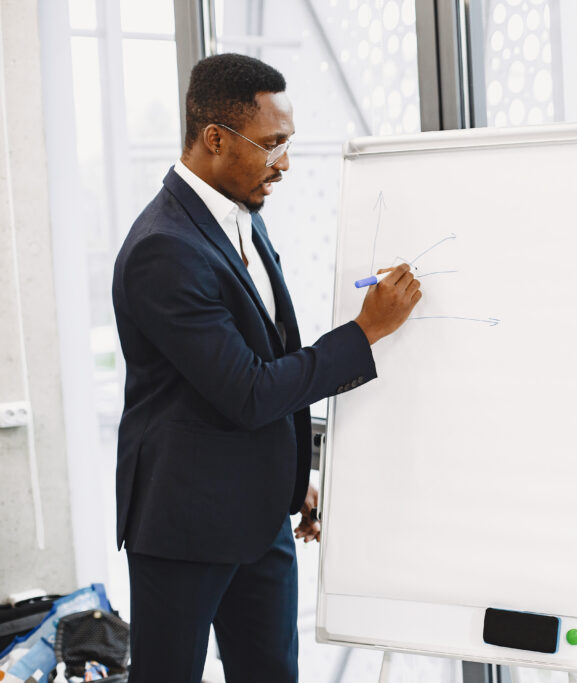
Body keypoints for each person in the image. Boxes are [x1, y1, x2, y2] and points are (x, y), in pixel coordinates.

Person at [111, 53, 420, 682]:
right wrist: (366, 333)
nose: (285, 165)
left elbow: (267, 357)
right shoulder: (162, 249)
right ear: (216, 139)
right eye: (273, 145)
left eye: (290, 143)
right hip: (184, 527)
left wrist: (285, 477)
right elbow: (248, 389)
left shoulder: (239, 215)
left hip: (258, 520)